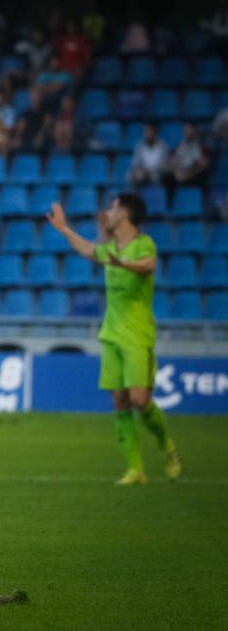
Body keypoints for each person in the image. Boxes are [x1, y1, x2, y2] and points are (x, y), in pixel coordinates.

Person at [46, 194, 181, 485]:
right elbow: (87, 250)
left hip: (137, 333)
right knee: (120, 401)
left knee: (140, 399)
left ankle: (166, 445)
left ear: (125, 213)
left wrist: (123, 264)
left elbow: (148, 265)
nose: (108, 211)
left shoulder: (143, 243)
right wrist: (64, 229)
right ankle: (136, 470)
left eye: (113, 207)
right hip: (111, 333)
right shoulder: (109, 249)